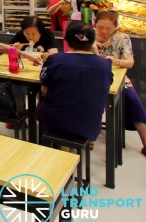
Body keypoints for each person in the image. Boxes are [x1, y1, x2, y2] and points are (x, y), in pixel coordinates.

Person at [40, 21, 113, 142]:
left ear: (66, 39)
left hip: (56, 123)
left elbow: (44, 89)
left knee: (42, 100)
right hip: (90, 126)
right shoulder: (105, 64)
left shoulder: (55, 59)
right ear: (92, 41)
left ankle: (60, 147)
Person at [93, 10, 146, 157]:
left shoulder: (122, 38)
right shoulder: (89, 35)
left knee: (133, 99)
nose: (103, 31)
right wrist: (94, 44)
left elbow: (130, 62)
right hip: (93, 78)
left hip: (117, 78)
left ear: (116, 27)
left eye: (108, 28)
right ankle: (88, 135)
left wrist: (115, 61)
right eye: (100, 27)